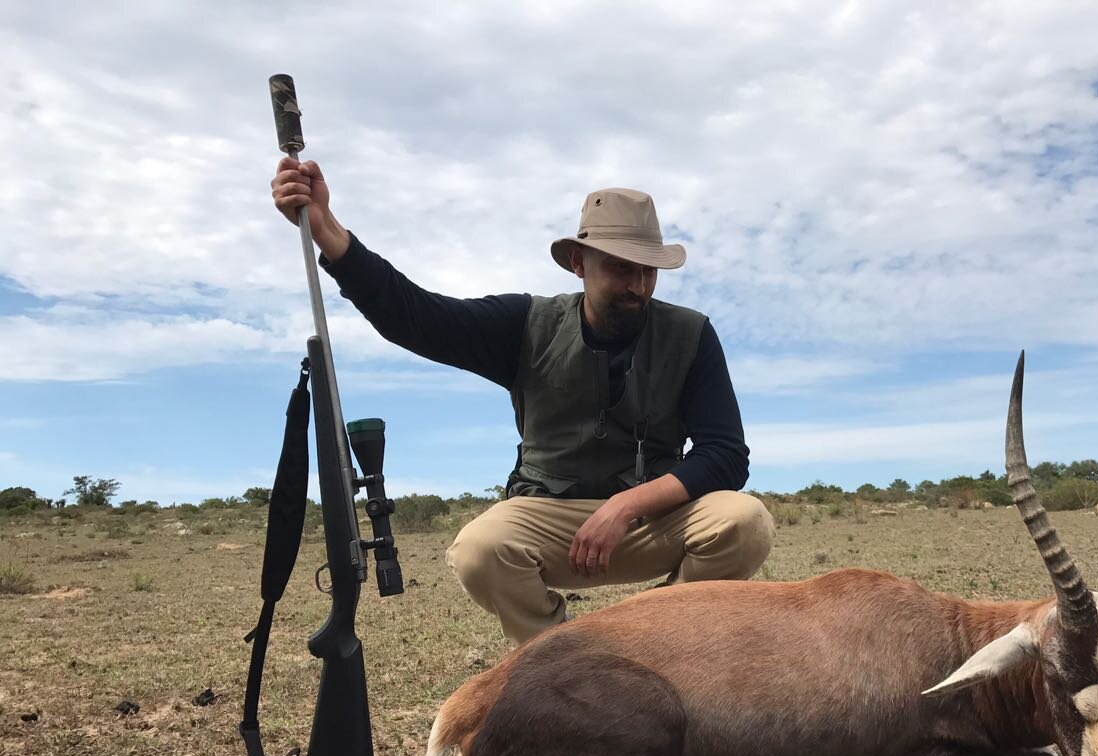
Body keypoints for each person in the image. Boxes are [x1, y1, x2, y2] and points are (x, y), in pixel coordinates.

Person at [271, 159, 774, 642]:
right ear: (579, 262)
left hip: (649, 521)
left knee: (744, 522)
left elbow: (726, 456)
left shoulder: (691, 335)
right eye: (621, 268)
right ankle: (563, 659)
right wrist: (329, 232)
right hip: (550, 519)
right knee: (479, 549)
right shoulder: (525, 325)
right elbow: (417, 317)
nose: (638, 287)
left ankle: (659, 644)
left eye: (649, 270)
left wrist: (625, 505)